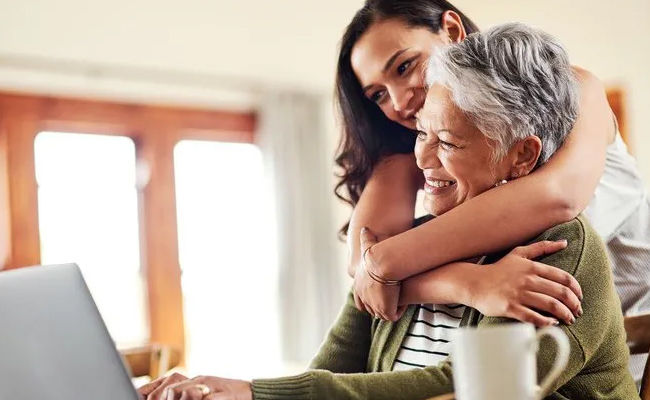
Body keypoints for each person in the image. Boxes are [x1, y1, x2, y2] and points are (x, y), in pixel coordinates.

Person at [138, 23, 640, 400]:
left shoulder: (558, 248)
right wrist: (227, 390)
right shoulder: (415, 237)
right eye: (421, 133)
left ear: (522, 156)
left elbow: (462, 389)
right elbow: (333, 364)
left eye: (447, 142)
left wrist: (258, 394)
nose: (423, 159)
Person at [339, 0, 649, 382]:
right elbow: (363, 269)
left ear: (451, 30)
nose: (400, 100)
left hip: (629, 343)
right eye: (378, 95)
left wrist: (385, 264)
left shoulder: (570, 89)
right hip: (530, 338)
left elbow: (558, 197)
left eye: (404, 67)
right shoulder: (417, 148)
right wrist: (468, 284)